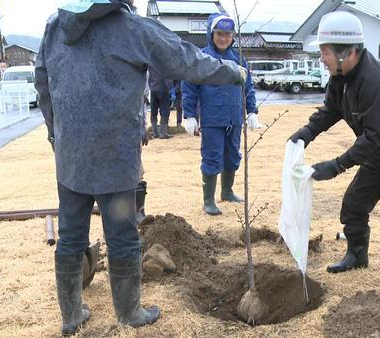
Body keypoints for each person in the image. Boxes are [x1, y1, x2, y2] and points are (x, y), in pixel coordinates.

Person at [34, 0, 247, 335]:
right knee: (122, 237)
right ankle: (130, 312)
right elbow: (185, 60)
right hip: (116, 158)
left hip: (71, 157)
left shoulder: (55, 27)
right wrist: (233, 71)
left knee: (71, 236)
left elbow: (43, 84)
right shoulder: (132, 28)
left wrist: (56, 134)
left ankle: (71, 315)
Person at [289, 11, 380, 303]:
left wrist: (335, 166)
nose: (322, 59)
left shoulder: (375, 81)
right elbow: (330, 111)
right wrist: (304, 134)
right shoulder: (339, 77)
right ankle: (357, 255)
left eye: (326, 52)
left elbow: (372, 138)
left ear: (349, 53)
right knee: (354, 203)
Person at [182, 13, 259, 216]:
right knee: (212, 157)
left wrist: (252, 111)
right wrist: (189, 115)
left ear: (233, 36)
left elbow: (248, 87)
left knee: (233, 155)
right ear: (211, 33)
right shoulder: (202, 58)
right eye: (219, 33)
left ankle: (227, 191)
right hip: (212, 119)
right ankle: (208, 199)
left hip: (234, 118)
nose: (223, 38)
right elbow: (189, 86)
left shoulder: (239, 59)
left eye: (227, 34)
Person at [148, 71, 173, 139]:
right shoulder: (163, 62)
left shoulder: (152, 63)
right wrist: (170, 88)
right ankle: (163, 133)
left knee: (153, 111)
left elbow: (149, 78)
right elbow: (167, 76)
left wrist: (151, 86)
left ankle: (155, 133)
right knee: (165, 110)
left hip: (153, 89)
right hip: (163, 88)